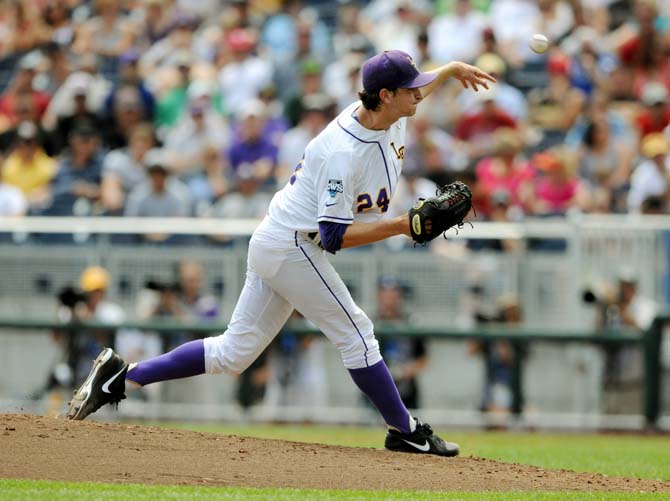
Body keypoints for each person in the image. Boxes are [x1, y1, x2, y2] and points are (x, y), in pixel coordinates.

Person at [67, 49, 495, 457]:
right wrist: (402, 226)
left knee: (233, 353)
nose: (420, 92)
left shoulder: (389, 112)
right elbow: (332, 238)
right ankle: (406, 432)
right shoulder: (342, 153)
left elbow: (418, 87)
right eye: (411, 88)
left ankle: (121, 378)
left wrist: (452, 69)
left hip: (277, 239)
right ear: (385, 96)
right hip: (294, 244)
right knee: (357, 334)